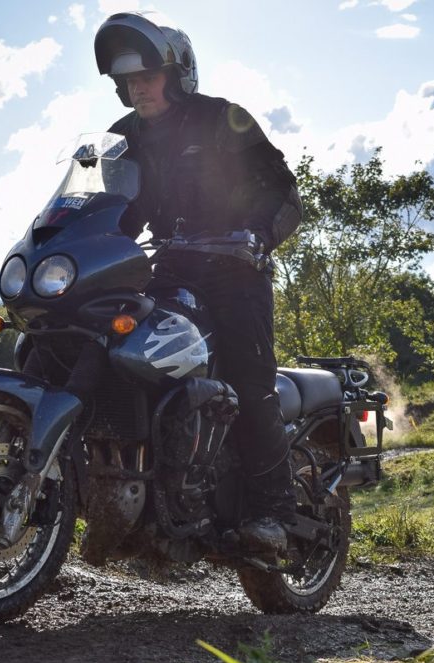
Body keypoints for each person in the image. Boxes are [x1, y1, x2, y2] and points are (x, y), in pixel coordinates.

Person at [93, 13, 303, 554]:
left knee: (248, 384)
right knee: (124, 362)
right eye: (127, 80)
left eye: (147, 75)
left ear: (177, 72)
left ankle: (276, 515)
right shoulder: (122, 139)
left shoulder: (222, 119)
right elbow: (113, 208)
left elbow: (282, 192)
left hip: (235, 272)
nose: (137, 87)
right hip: (169, 272)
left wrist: (257, 237)